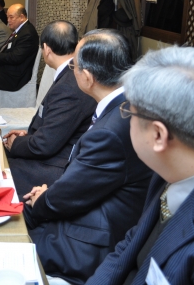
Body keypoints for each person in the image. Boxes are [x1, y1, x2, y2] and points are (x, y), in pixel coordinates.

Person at [86, 46, 194, 285]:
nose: (126, 118)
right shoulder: (178, 165)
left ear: (158, 135)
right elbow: (132, 244)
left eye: (129, 112)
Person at [23, 29, 152, 285]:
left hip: (94, 240)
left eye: (74, 65)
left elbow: (68, 197)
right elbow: (85, 181)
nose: (72, 69)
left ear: (88, 77)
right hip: (98, 208)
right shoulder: (126, 104)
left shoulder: (111, 131)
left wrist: (40, 202)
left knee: (10, 232)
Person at [4, 21, 96, 199]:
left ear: (46, 49)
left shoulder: (70, 83)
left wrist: (16, 143)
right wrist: (27, 137)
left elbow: (46, 144)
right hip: (55, 149)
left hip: (57, 166)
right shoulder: (69, 72)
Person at [0, 4, 39, 94]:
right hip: (10, 68)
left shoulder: (27, 33)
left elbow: (15, 58)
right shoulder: (20, 30)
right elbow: (9, 47)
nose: (8, 20)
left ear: (21, 17)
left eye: (11, 17)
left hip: (16, 76)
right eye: (7, 17)